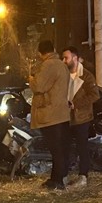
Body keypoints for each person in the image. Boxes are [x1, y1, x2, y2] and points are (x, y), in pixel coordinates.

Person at [29, 39, 71, 191]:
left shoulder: (48, 65)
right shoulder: (62, 65)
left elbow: (39, 86)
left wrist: (31, 79)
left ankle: (58, 181)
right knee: (61, 148)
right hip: (62, 112)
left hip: (50, 114)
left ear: (40, 53)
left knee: (55, 149)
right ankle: (58, 177)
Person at [62, 46, 99, 188]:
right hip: (65, 117)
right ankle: (64, 175)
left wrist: (76, 104)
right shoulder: (64, 75)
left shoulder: (87, 76)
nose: (64, 61)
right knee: (64, 147)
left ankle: (83, 175)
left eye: (66, 58)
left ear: (75, 58)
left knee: (82, 147)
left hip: (81, 118)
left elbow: (94, 95)